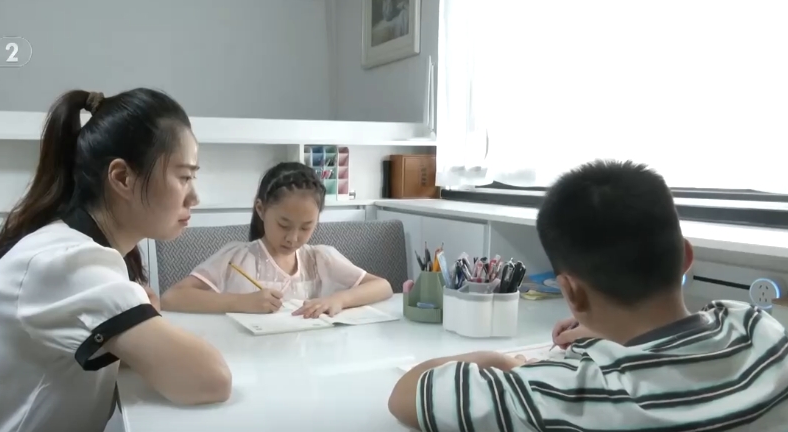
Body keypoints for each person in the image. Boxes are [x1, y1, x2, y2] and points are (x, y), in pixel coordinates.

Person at [0, 89, 232, 432]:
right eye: (184, 177)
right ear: (122, 178)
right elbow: (211, 379)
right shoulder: (67, 263)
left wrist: (137, 322)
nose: (195, 197)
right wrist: (142, 318)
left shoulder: (72, 248)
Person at [388, 160, 788, 431]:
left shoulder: (563, 393)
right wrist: (615, 333)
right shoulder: (759, 330)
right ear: (685, 257)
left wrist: (504, 361)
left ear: (569, 292)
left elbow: (406, 394)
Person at [161, 162, 393, 317]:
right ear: (261, 210)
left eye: (306, 227)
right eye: (283, 225)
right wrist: (240, 302)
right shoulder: (236, 257)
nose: (293, 238)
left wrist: (339, 299)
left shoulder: (319, 258)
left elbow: (383, 286)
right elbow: (172, 297)